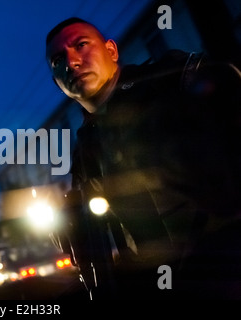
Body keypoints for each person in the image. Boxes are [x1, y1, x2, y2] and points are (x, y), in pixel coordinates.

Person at [46, 17, 241, 299]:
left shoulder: (173, 82)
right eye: (57, 60)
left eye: (81, 45)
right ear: (58, 82)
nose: (71, 62)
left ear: (111, 51)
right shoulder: (85, 152)